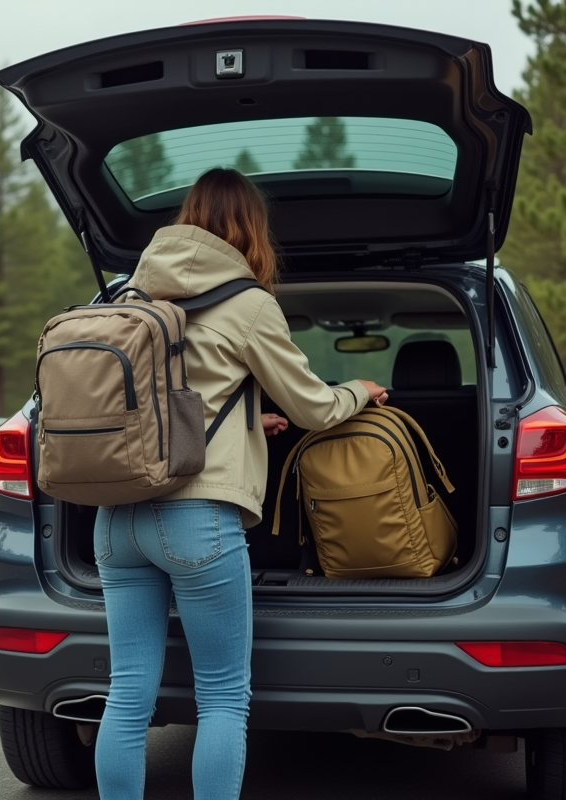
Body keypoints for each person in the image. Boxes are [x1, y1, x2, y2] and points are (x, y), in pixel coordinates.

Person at [93, 168, 388, 800]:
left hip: (116, 519)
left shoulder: (127, 296)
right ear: (250, 229)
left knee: (127, 690)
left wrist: (254, 419)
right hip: (196, 519)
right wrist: (359, 390)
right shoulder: (249, 303)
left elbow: (167, 405)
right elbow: (316, 407)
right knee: (224, 695)